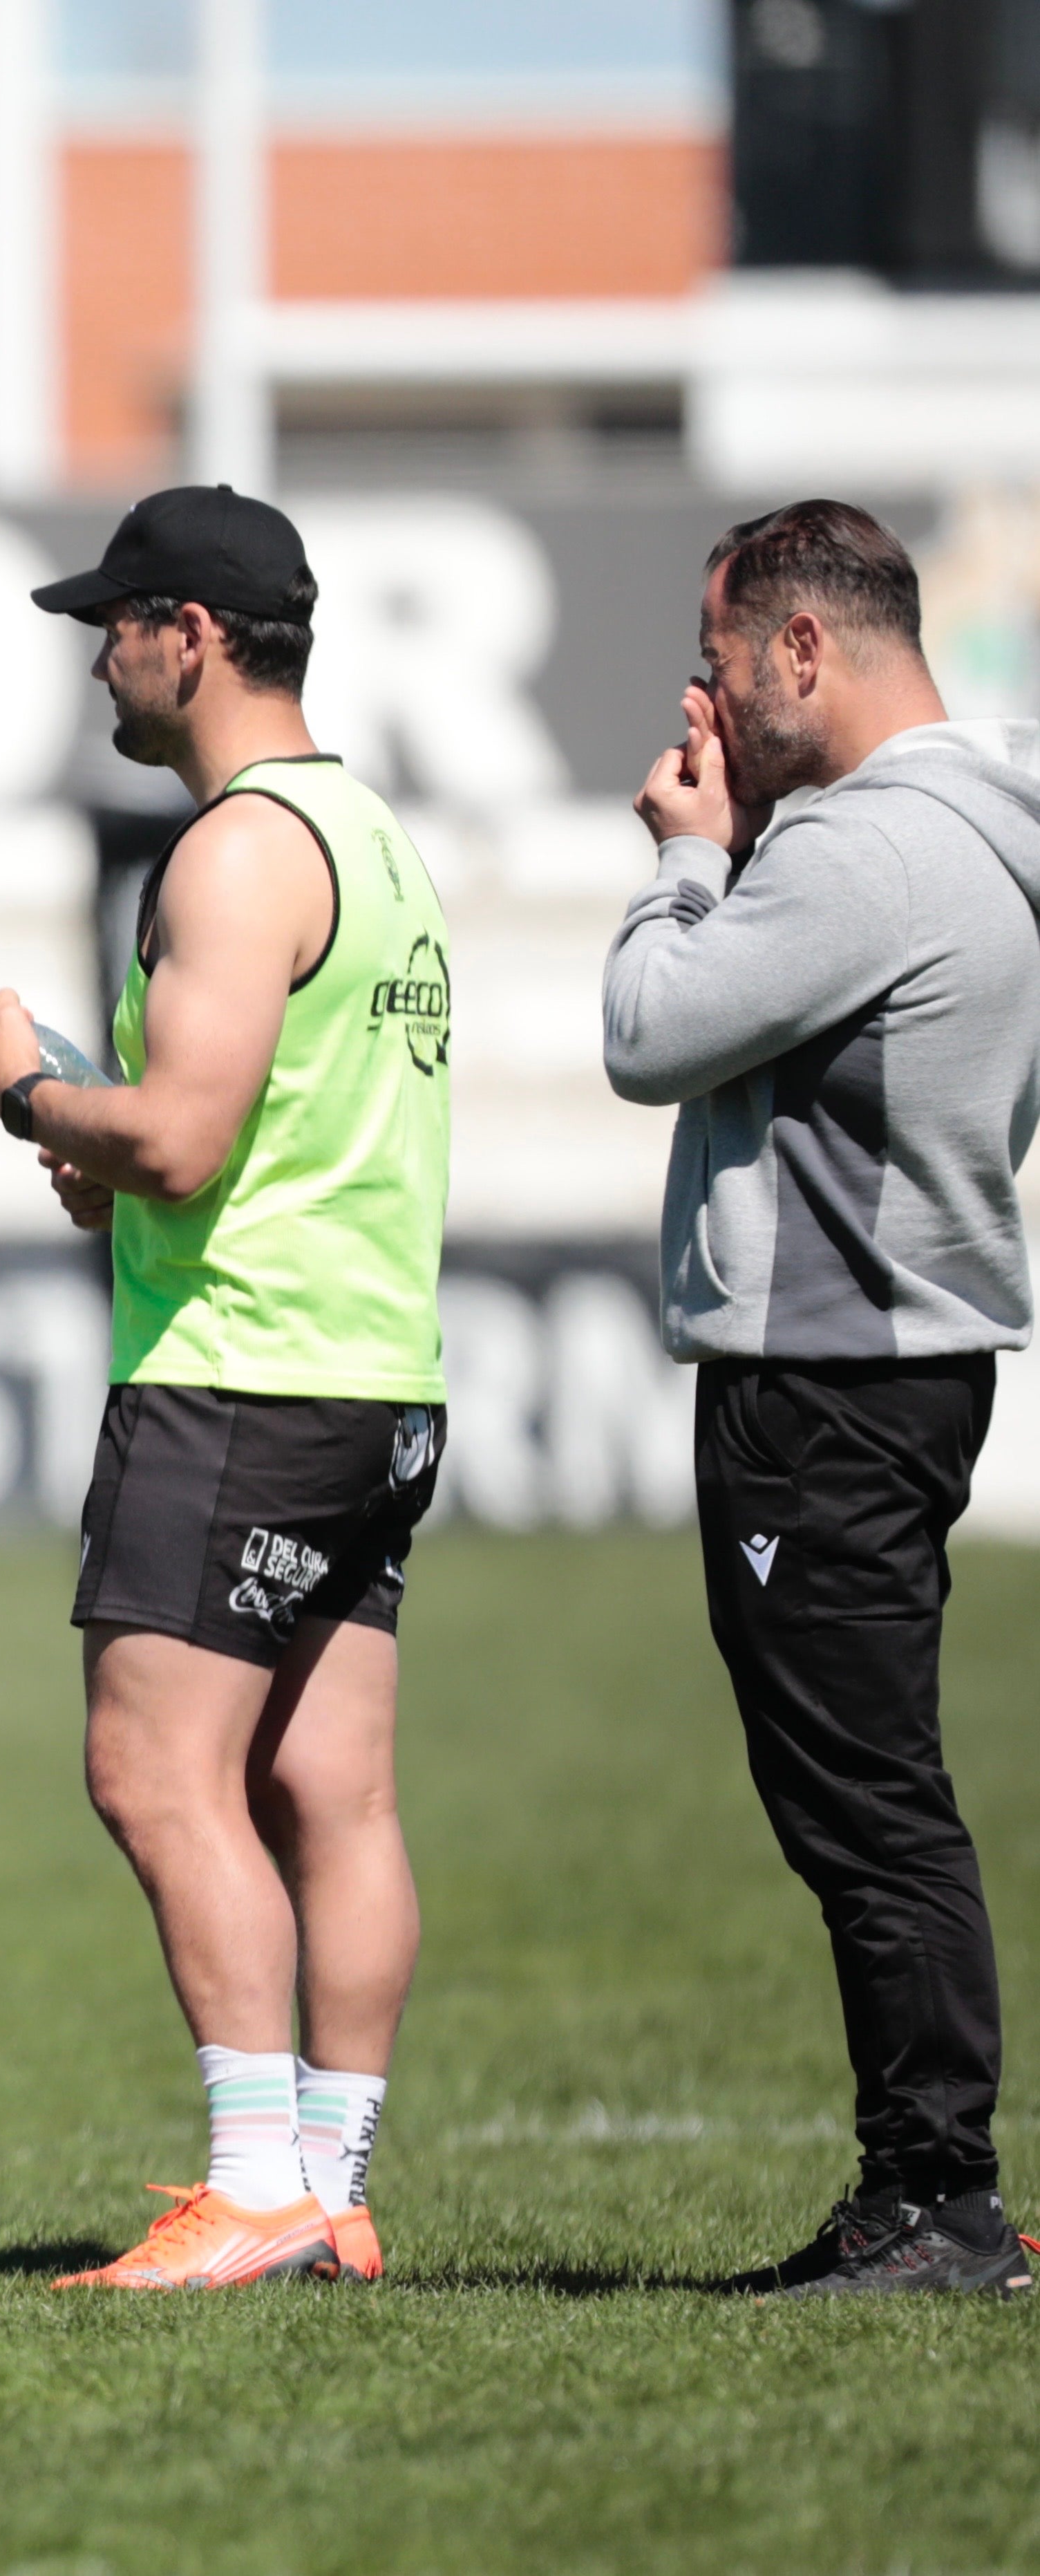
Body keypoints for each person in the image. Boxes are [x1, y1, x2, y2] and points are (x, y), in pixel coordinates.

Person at [0, 485, 449, 2293]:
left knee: (155, 1769)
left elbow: (179, 1135)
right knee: (336, 1788)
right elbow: (250, 1136)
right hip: (373, 1372)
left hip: (244, 1370)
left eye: (117, 620)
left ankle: (254, 2184)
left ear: (193, 634)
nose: (101, 655)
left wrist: (21, 1088)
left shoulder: (237, 849)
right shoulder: (371, 833)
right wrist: (118, 1148)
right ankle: (334, 2179)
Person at [607, 499, 1040, 2297]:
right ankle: (928, 2189)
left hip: (830, 1381)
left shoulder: (862, 851)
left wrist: (686, 854)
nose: (701, 697)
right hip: (902, 1364)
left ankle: (933, 2196)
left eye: (721, 655)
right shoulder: (985, 813)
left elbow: (650, 1026)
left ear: (806, 647)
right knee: (874, 1791)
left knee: (866, 1802)